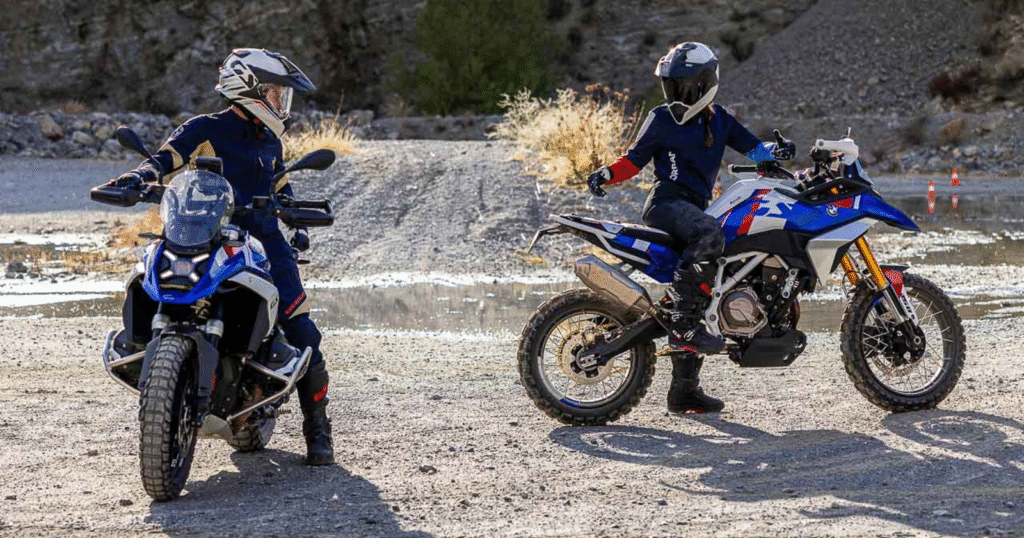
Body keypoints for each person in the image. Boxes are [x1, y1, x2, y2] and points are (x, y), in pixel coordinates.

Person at [104, 48, 333, 465]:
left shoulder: (270, 143)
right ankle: (150, 362)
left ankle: (317, 429)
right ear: (249, 89)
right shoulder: (205, 128)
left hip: (261, 242)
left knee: (303, 334)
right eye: (276, 93)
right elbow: (165, 160)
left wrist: (293, 212)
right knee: (148, 279)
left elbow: (280, 190)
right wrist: (137, 178)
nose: (282, 103)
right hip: (201, 233)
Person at [586, 42, 794, 414]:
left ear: (705, 83)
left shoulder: (720, 121)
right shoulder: (662, 118)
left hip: (696, 208)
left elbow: (752, 148)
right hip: (666, 204)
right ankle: (683, 326)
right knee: (709, 235)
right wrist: (607, 174)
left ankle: (685, 391)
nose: (676, 94)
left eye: (683, 85)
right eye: (671, 86)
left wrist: (775, 156)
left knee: (707, 288)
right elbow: (634, 161)